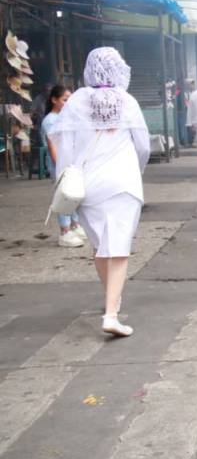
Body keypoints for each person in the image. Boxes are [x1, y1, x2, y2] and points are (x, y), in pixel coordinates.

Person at [49, 47, 151, 337]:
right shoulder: (127, 101)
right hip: (123, 182)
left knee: (100, 245)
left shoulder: (76, 101)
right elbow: (143, 145)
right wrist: (138, 169)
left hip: (88, 183)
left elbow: (65, 146)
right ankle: (111, 313)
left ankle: (112, 298)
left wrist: (65, 180)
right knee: (118, 248)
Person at [41, 84, 86, 248]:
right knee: (63, 195)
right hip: (59, 163)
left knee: (73, 194)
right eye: (65, 100)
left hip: (69, 162)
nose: (68, 103)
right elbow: (53, 145)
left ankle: (75, 225)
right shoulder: (50, 120)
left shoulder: (64, 117)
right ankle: (64, 231)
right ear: (54, 100)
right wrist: (59, 165)